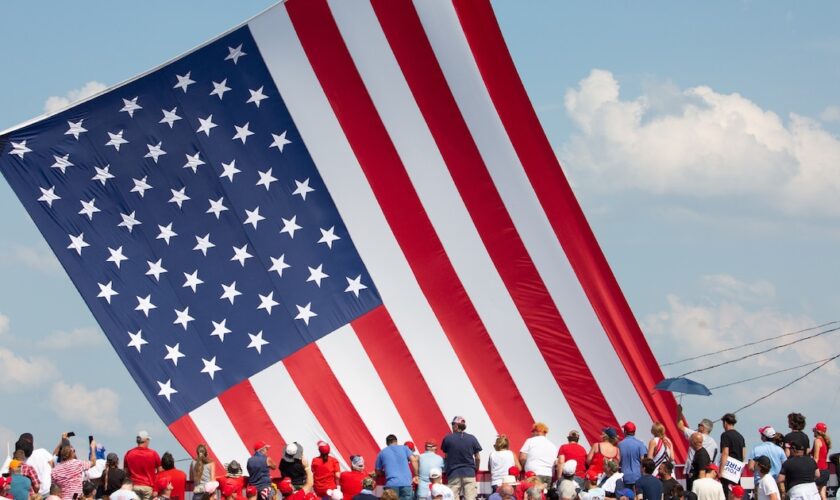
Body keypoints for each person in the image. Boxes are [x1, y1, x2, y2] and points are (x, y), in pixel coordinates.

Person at [441, 417, 481, 500]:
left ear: (456, 425)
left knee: (452, 497)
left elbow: (446, 456)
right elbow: (477, 457)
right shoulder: (472, 438)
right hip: (469, 472)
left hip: (453, 473)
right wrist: (476, 469)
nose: (452, 426)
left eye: (452, 424)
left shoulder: (448, 438)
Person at [676, 407, 718, 486]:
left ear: (702, 427)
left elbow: (680, 426)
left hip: (693, 471)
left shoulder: (696, 435)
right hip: (707, 473)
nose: (698, 426)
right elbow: (714, 461)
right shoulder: (714, 443)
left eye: (699, 425)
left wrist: (679, 412)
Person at [51, 435, 97, 500]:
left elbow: (54, 489)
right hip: (76, 498)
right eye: (74, 451)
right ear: (72, 453)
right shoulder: (77, 464)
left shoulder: (54, 470)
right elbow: (93, 462)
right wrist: (92, 448)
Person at [375, 434, 418, 500]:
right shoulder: (404, 448)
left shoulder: (382, 453)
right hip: (406, 483)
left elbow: (377, 471)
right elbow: (414, 460)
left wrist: (385, 473)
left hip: (391, 484)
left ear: (387, 443)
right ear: (396, 441)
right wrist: (416, 475)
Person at [124, 431, 161, 500]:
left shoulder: (129, 453)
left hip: (134, 486)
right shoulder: (153, 453)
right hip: (148, 487)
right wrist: (156, 488)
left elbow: (126, 472)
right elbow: (160, 472)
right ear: (146, 440)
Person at [16, 432, 53, 498]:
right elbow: (53, 464)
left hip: (33, 495)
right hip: (47, 490)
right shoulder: (42, 452)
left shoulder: (20, 462)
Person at [718, 414, 745, 498]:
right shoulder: (740, 436)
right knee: (736, 494)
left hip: (728, 470)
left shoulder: (725, 435)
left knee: (727, 494)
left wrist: (721, 471)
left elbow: (725, 453)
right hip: (737, 470)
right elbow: (744, 454)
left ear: (725, 422)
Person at [617, 422, 646, 490]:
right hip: (637, 477)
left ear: (625, 432)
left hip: (625, 477)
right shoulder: (640, 444)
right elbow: (643, 460)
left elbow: (618, 460)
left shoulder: (620, 445)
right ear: (634, 432)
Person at [811, 423, 830, 500]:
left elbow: (816, 458)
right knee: (822, 494)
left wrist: (814, 469)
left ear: (817, 431)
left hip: (819, 470)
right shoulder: (826, 442)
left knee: (813, 493)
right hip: (825, 470)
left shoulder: (817, 441)